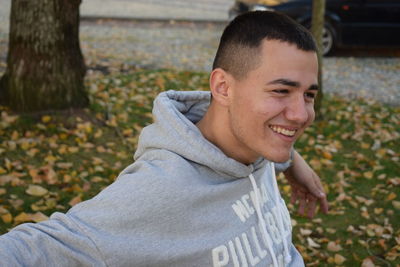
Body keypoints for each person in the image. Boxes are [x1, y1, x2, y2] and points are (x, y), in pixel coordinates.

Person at [0, 11, 328, 266]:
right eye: (281, 91)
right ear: (223, 88)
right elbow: (39, 248)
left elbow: (277, 123)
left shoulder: (256, 142)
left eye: (308, 95)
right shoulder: (158, 191)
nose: (300, 115)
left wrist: (291, 161)